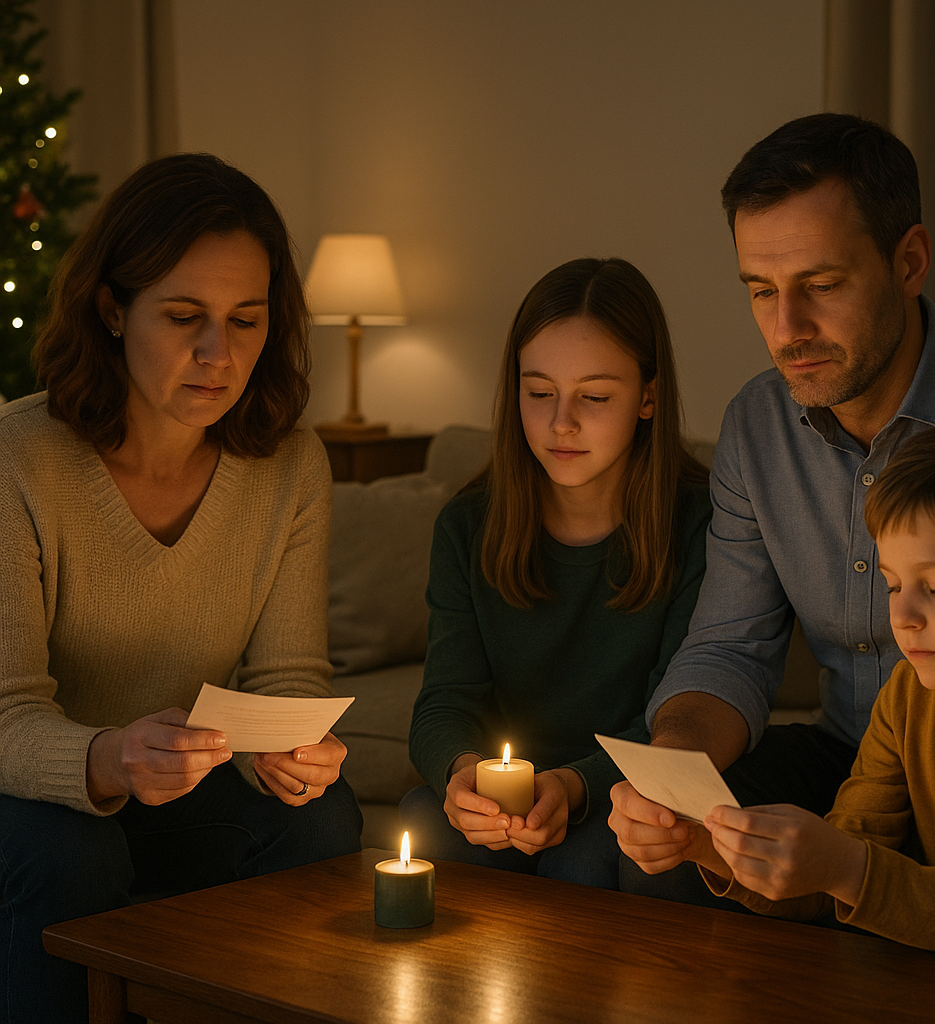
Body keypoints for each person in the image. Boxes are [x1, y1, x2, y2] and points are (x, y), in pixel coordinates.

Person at [609, 112, 935, 902]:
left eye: (821, 286)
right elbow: (730, 647)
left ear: (909, 261)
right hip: (849, 757)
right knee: (655, 859)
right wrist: (675, 778)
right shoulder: (758, 426)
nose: (786, 329)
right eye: (761, 291)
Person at [0, 153, 362, 1023]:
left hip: (179, 793)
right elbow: (6, 713)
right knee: (75, 854)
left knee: (320, 818)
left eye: (246, 320)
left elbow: (287, 681)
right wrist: (107, 756)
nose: (218, 354)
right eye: (184, 316)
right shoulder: (19, 458)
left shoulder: (288, 466)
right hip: (37, 800)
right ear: (111, 309)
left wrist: (298, 754)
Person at [401, 257, 712, 888]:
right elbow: (443, 703)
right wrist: (462, 773)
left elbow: (678, 719)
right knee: (424, 821)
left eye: (594, 397)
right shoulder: (468, 525)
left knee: (591, 858)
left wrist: (573, 786)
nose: (560, 423)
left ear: (648, 396)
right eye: (539, 392)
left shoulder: (703, 523)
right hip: (508, 798)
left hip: (629, 792)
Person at [686, 410, 935, 959]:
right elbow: (841, 867)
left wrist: (848, 867)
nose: (904, 616)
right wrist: (711, 846)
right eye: (892, 585)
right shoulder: (908, 696)